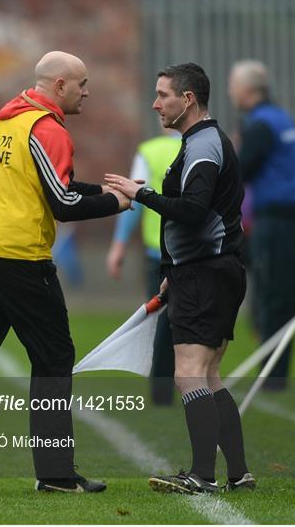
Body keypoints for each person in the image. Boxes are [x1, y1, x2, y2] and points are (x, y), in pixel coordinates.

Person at [0, 51, 130, 494]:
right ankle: (56, 474)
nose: (87, 91)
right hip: (18, 258)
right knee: (54, 358)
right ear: (59, 86)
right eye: (82, 84)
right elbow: (63, 203)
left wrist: (107, 189)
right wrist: (115, 203)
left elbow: (50, 185)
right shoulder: (48, 128)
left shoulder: (4, 122)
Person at [106, 63, 255, 494]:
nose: (155, 103)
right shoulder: (201, 141)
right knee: (208, 375)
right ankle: (238, 472)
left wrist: (142, 194)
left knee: (188, 373)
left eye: (163, 95)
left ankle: (202, 476)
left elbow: (192, 210)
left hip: (205, 274)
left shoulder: (204, 146)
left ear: (187, 99)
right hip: (209, 271)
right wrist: (174, 271)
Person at [228, 60, 295, 390]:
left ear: (246, 90)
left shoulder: (260, 124)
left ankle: (274, 378)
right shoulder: (280, 117)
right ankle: (280, 373)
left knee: (276, 297)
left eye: (233, 86)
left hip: (277, 219)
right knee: (289, 296)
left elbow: (241, 171)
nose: (230, 92)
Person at [107, 129, 180, 404]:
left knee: (161, 322)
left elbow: (133, 199)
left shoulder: (150, 151)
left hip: (159, 250)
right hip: (198, 251)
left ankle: (161, 393)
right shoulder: (206, 146)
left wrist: (119, 244)